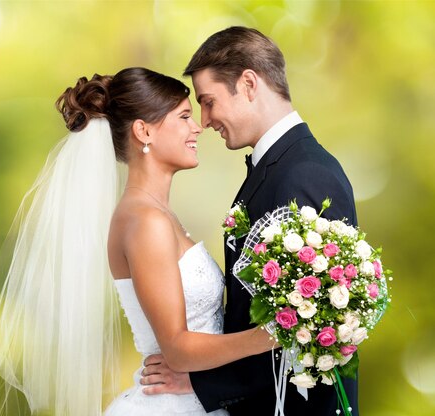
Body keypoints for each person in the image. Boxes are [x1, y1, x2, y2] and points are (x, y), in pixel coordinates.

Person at [0, 67, 275, 416]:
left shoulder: (155, 214)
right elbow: (176, 348)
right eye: (185, 116)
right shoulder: (146, 221)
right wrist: (270, 334)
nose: (198, 127)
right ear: (143, 131)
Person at [140, 26, 359, 416]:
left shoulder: (302, 173)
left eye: (208, 102)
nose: (205, 121)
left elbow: (310, 332)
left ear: (248, 83)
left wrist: (203, 382)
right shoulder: (278, 168)